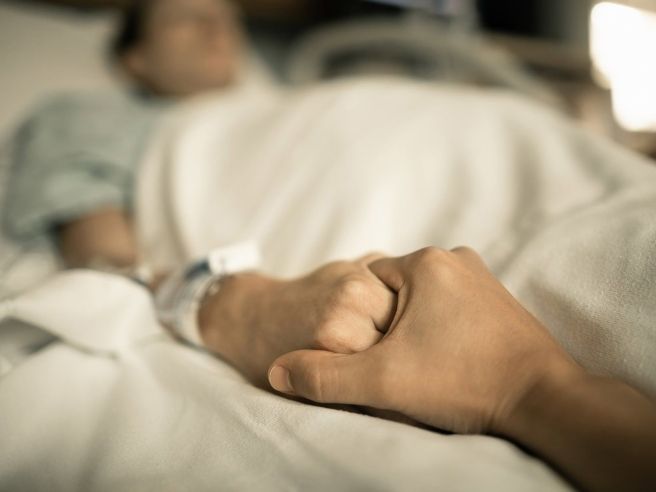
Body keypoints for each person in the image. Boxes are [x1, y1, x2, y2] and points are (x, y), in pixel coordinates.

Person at [2, 1, 655, 491]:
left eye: (223, 14)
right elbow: (112, 265)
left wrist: (530, 391)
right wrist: (222, 299)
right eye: (185, 17)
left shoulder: (296, 97)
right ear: (135, 58)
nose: (216, 26)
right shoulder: (83, 117)